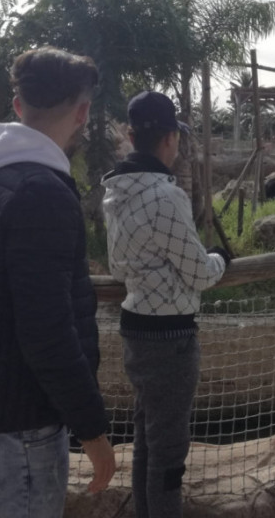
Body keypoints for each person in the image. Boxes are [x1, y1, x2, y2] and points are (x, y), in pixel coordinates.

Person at [0, 47, 116, 518]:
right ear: (82, 112)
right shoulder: (41, 193)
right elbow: (47, 330)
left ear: (18, 106)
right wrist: (92, 431)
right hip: (17, 425)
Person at [102, 90, 229, 518]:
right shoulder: (164, 195)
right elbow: (198, 272)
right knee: (170, 451)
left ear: (133, 135)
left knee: (146, 439)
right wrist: (220, 259)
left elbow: (119, 268)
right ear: (171, 138)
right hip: (170, 335)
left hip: (135, 328)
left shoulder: (114, 192)